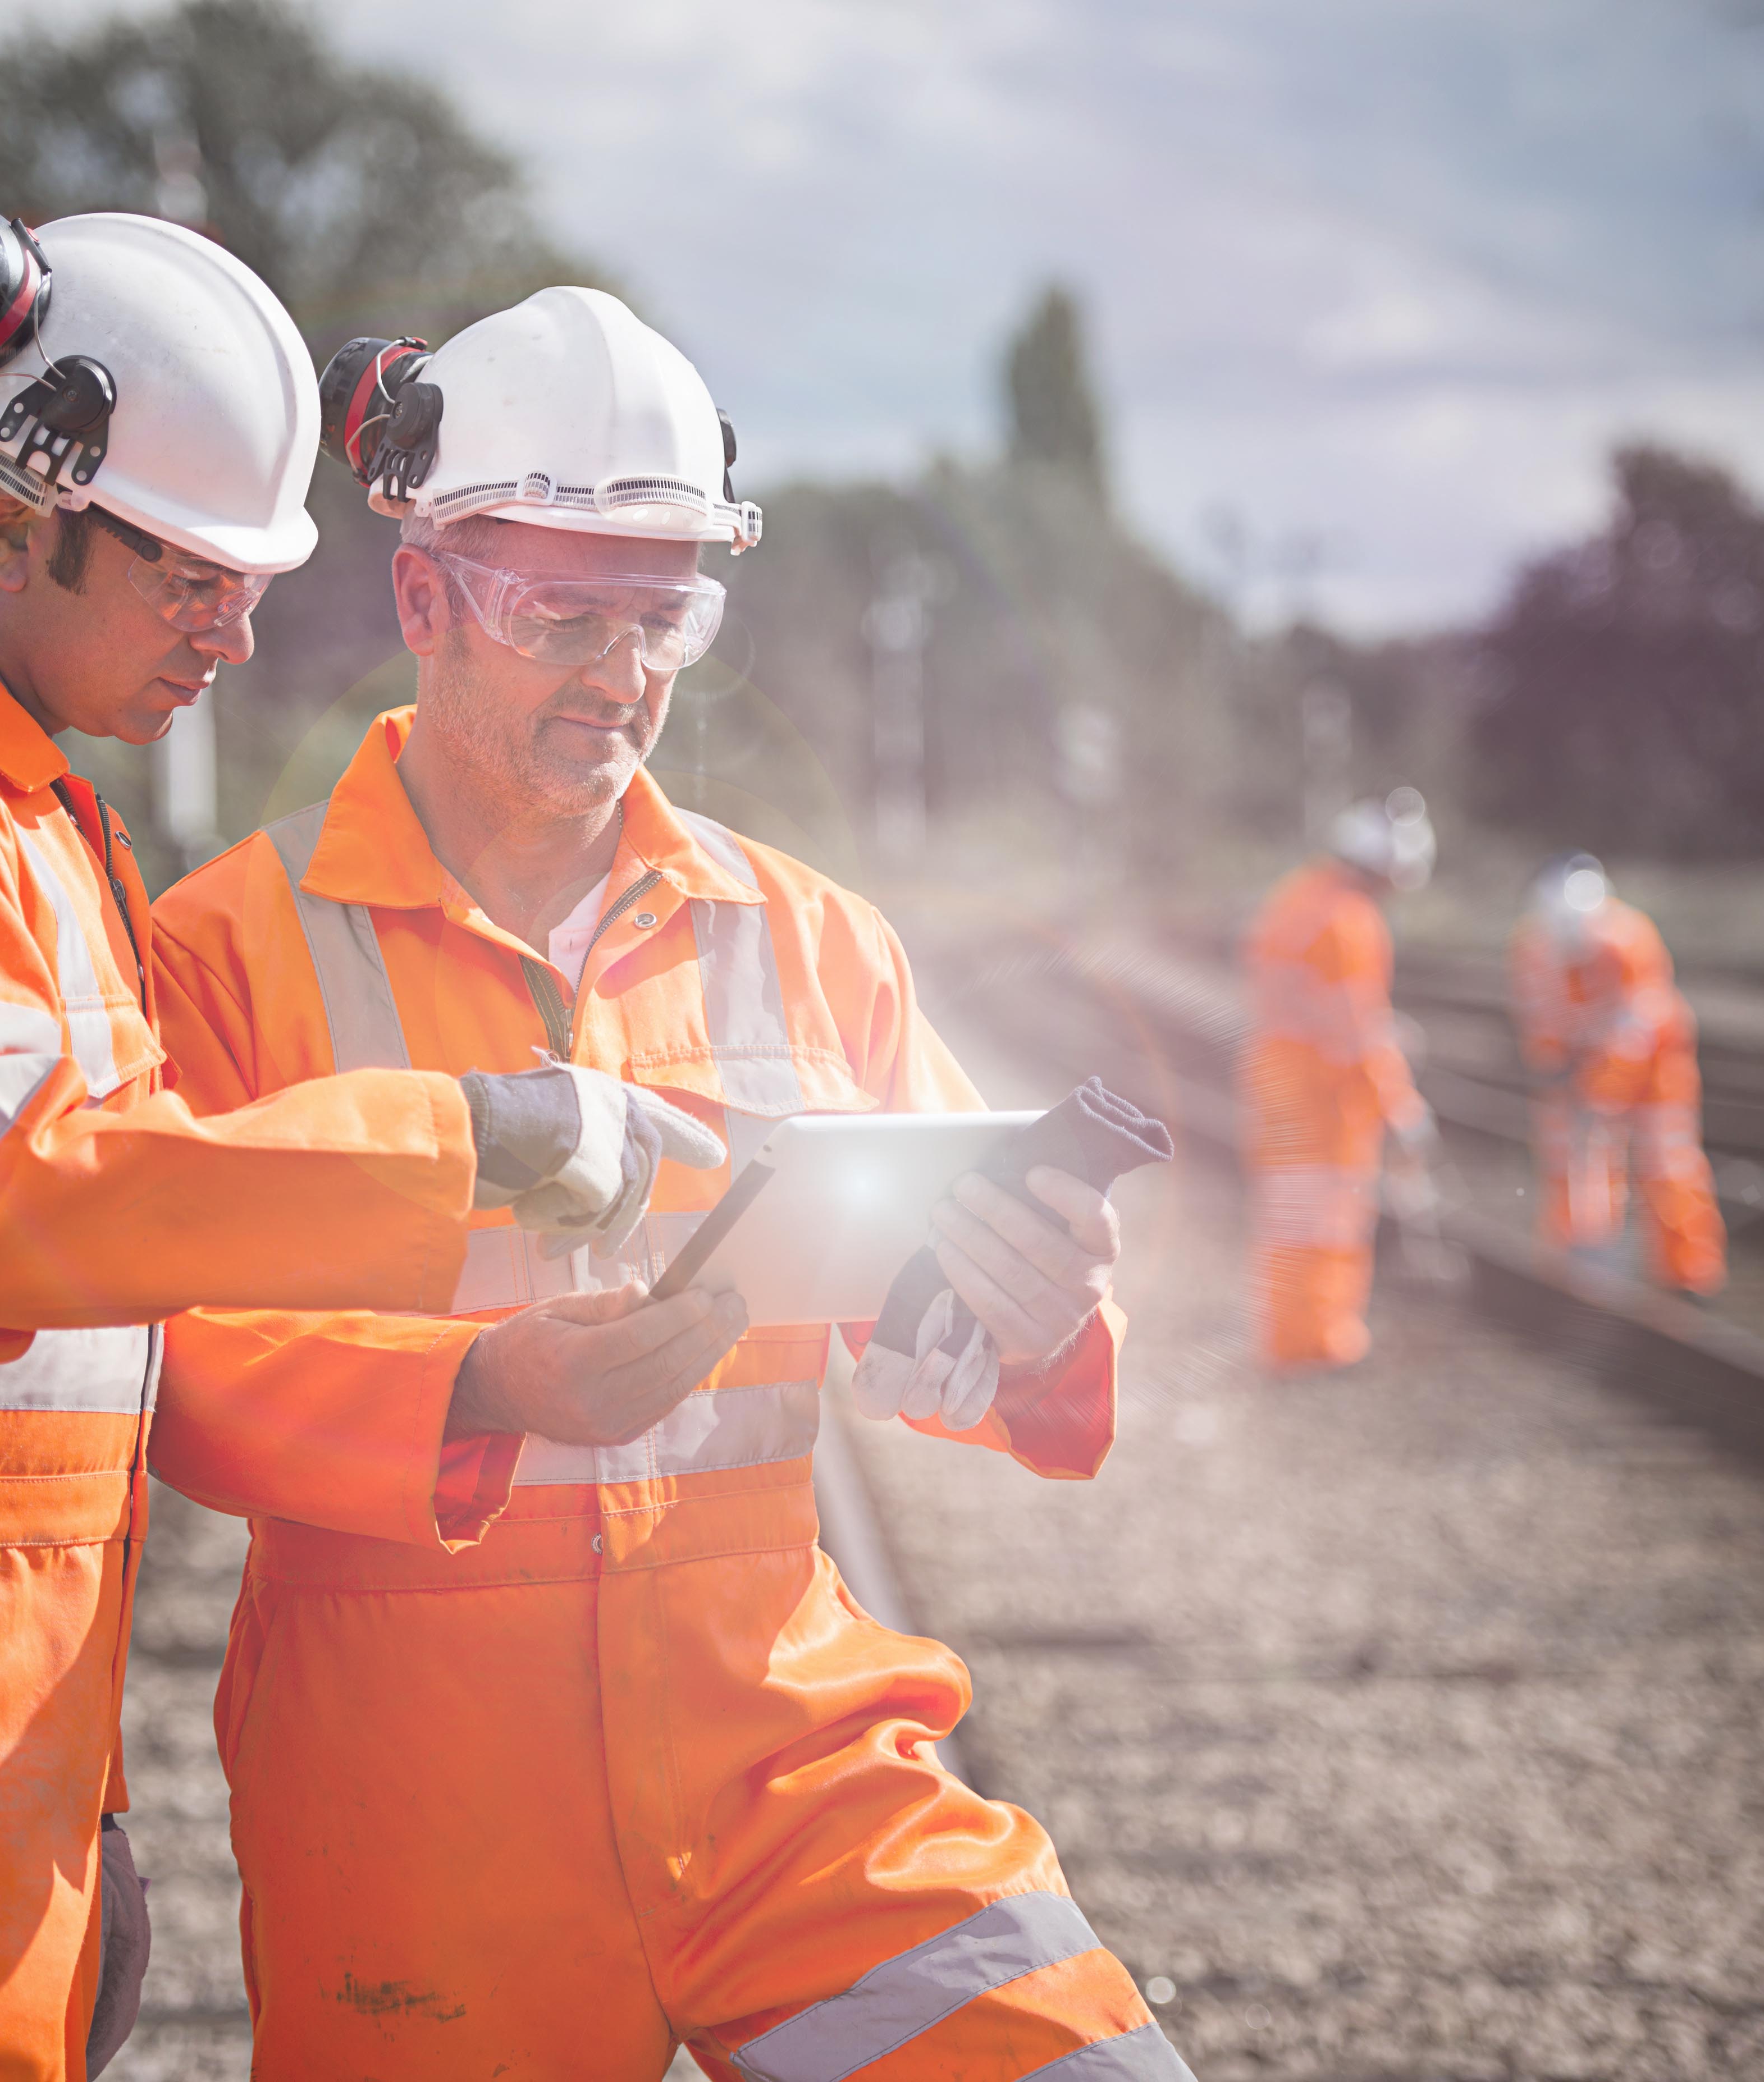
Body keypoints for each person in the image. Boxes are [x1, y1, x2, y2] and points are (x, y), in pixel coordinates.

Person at [0, 197, 725, 2081]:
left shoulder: (20, 815)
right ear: (15, 520)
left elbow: (126, 1226)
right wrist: (472, 1137)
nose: (235, 627)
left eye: (252, 580)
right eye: (189, 576)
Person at [142, 289, 1193, 2080]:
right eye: (563, 611)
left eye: (663, 615)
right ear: (423, 603)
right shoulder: (225, 951)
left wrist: (1030, 1314)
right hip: (423, 1813)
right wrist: (477, 1387)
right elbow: (154, 1364)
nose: (622, 674)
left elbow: (960, 1322)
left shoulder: (807, 937)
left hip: (786, 1758)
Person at [1236, 788, 1438, 1373]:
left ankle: (1287, 1337)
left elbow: (1304, 1001)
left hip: (1277, 1082)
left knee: (1288, 1217)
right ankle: (1319, 1341)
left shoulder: (1295, 897)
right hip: (1326, 1101)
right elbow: (1358, 1033)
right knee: (1330, 1222)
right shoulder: (1350, 921)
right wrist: (1400, 1108)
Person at [1507, 855, 1724, 1293]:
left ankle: (1689, 1276)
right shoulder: (1533, 949)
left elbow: (1635, 1033)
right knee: (1570, 1160)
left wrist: (1601, 1096)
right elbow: (1539, 1021)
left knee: (1669, 1166)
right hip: (1577, 1071)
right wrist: (1556, 1073)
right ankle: (1577, 1264)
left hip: (1655, 1073)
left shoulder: (1630, 941)